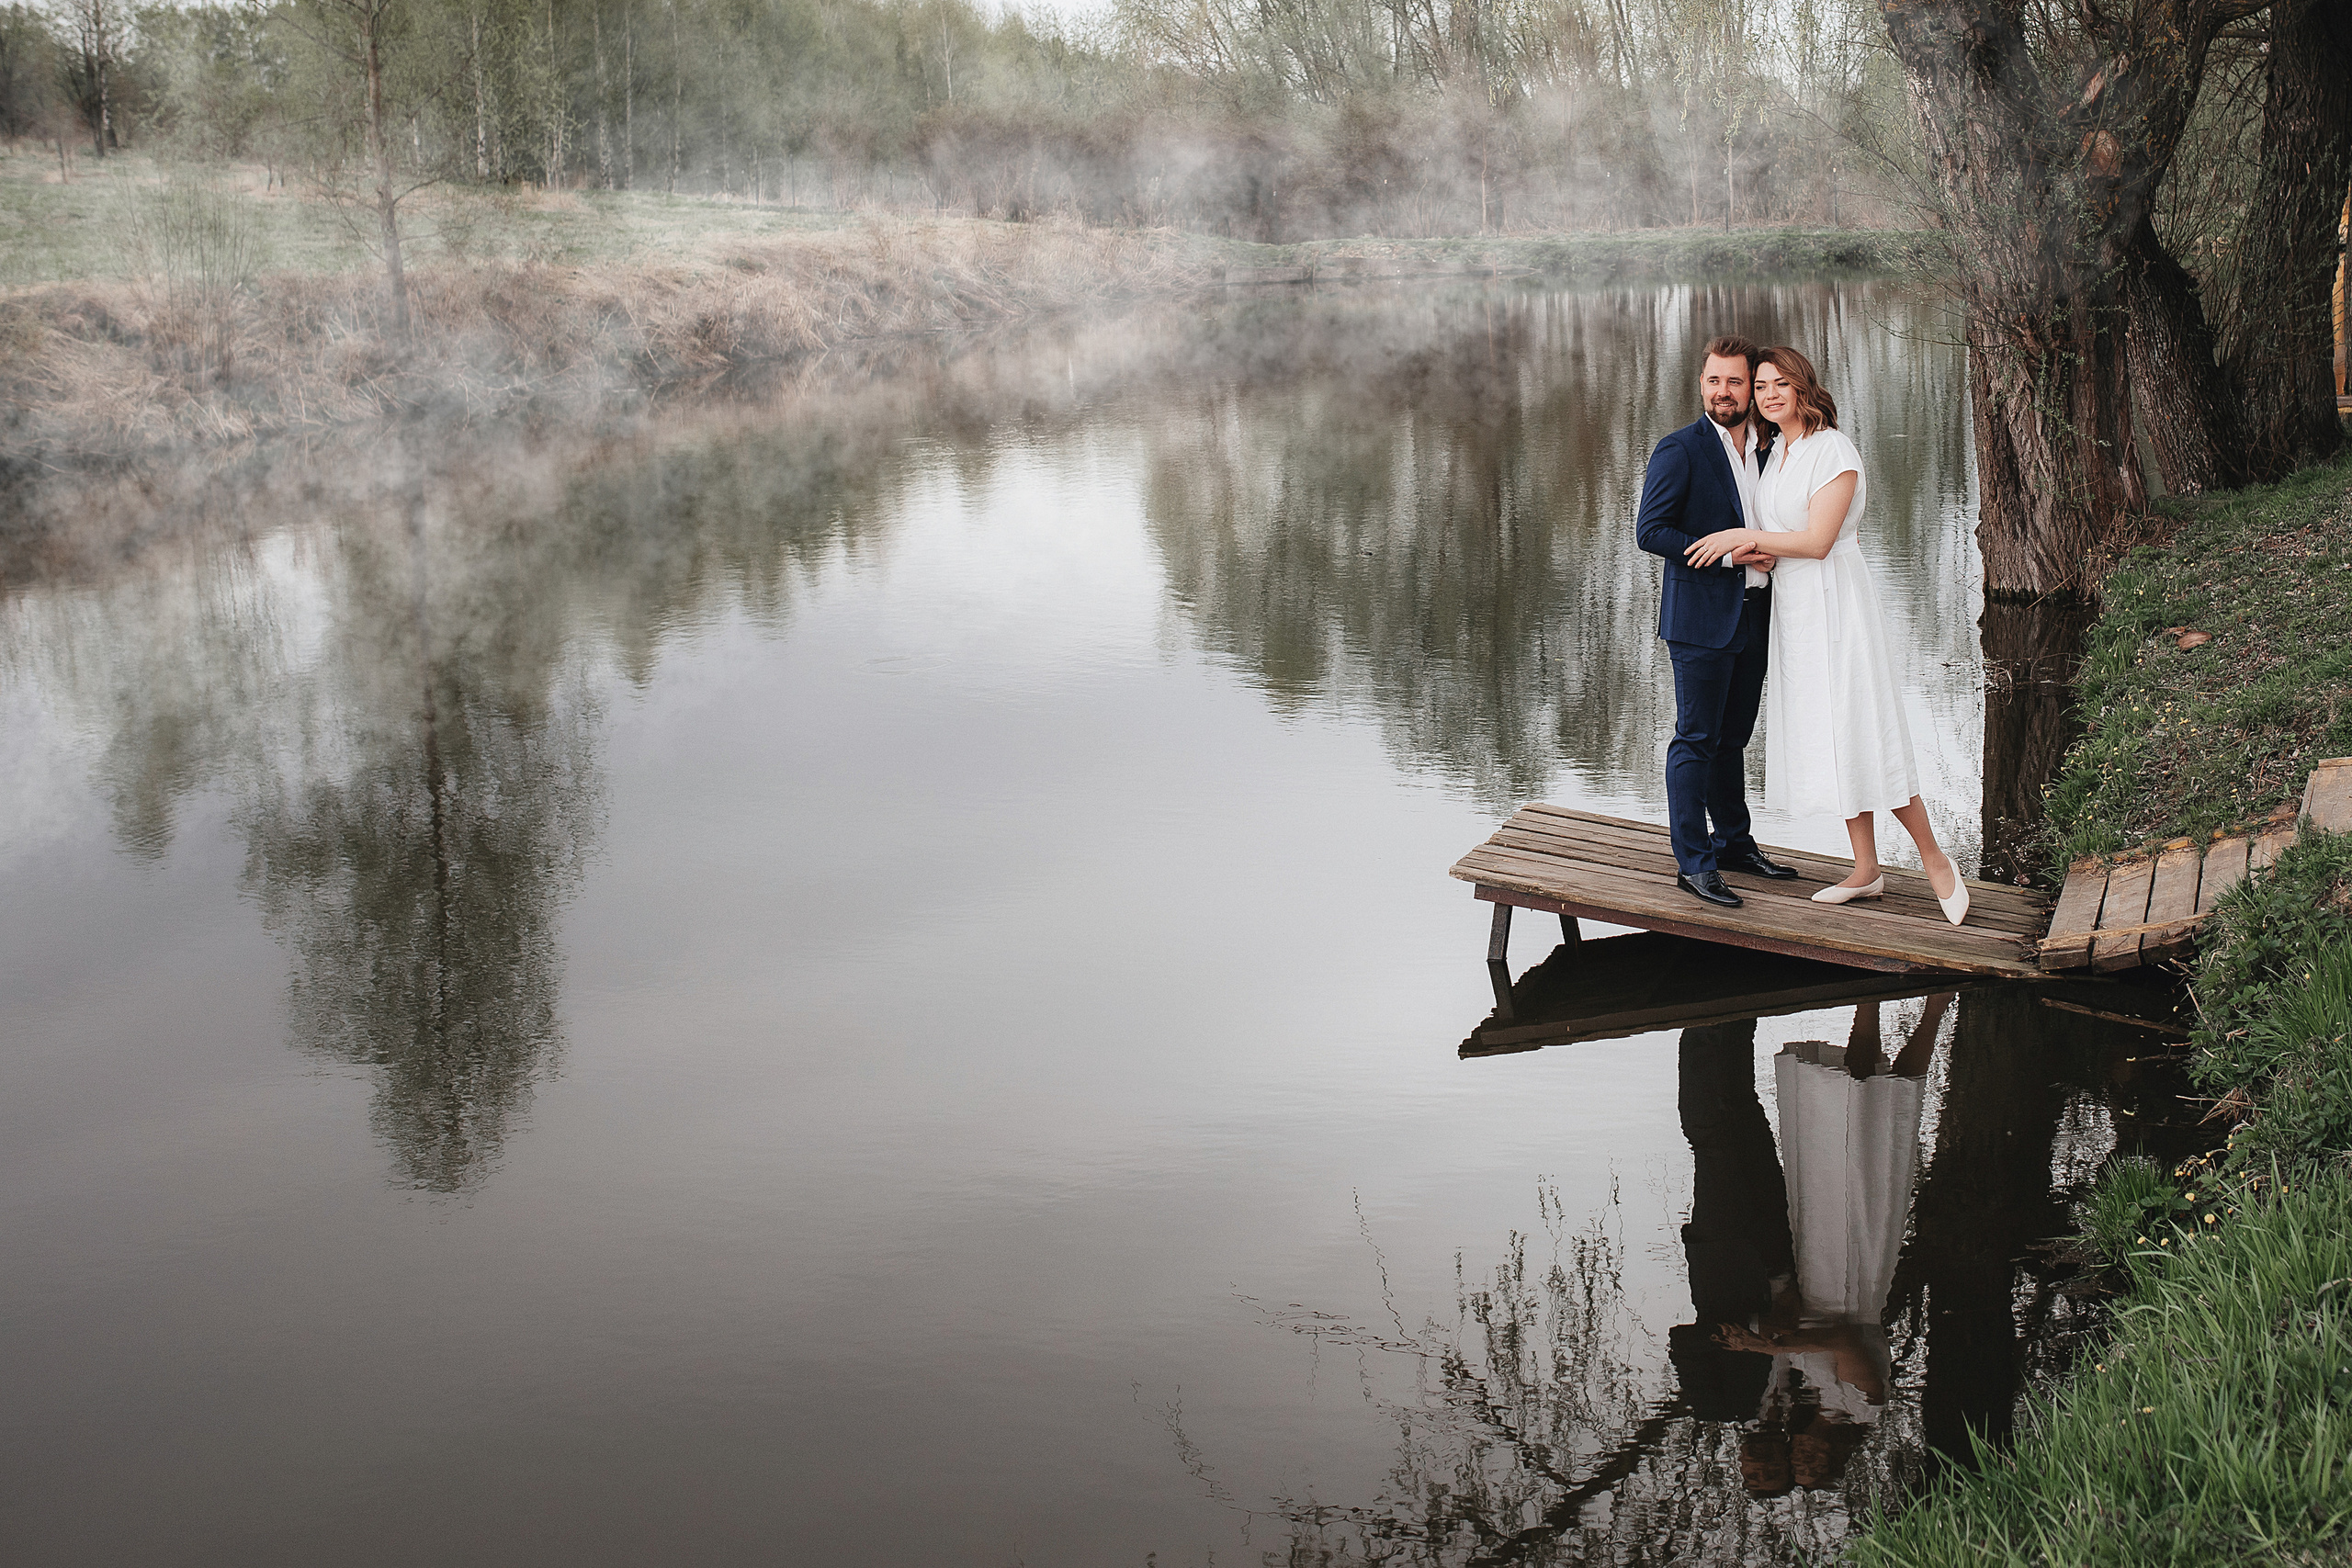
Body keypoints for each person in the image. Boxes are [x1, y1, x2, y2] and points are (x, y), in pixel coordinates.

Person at [1679, 345, 1971, 928]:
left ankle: (1936, 860)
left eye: (1780, 384)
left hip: (1838, 607)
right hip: (1796, 612)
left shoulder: (1832, 449)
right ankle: (1866, 869)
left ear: (1804, 387)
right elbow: (1783, 541)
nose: (1768, 395)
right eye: (1760, 386)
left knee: (1864, 730)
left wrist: (1743, 534)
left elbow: (1816, 541)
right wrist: (1752, 552)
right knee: (1833, 738)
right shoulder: (1777, 452)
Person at [1633, 335, 1802, 910]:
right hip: (1700, 620)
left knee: (1734, 740)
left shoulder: (1771, 447)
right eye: (1713, 380)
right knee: (1696, 740)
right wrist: (1730, 554)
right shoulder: (1679, 450)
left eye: (1736, 382)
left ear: (1752, 387)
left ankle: (1733, 843)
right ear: (1701, 383)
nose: (1723, 392)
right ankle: (1695, 864)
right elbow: (1650, 531)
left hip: (1756, 615)